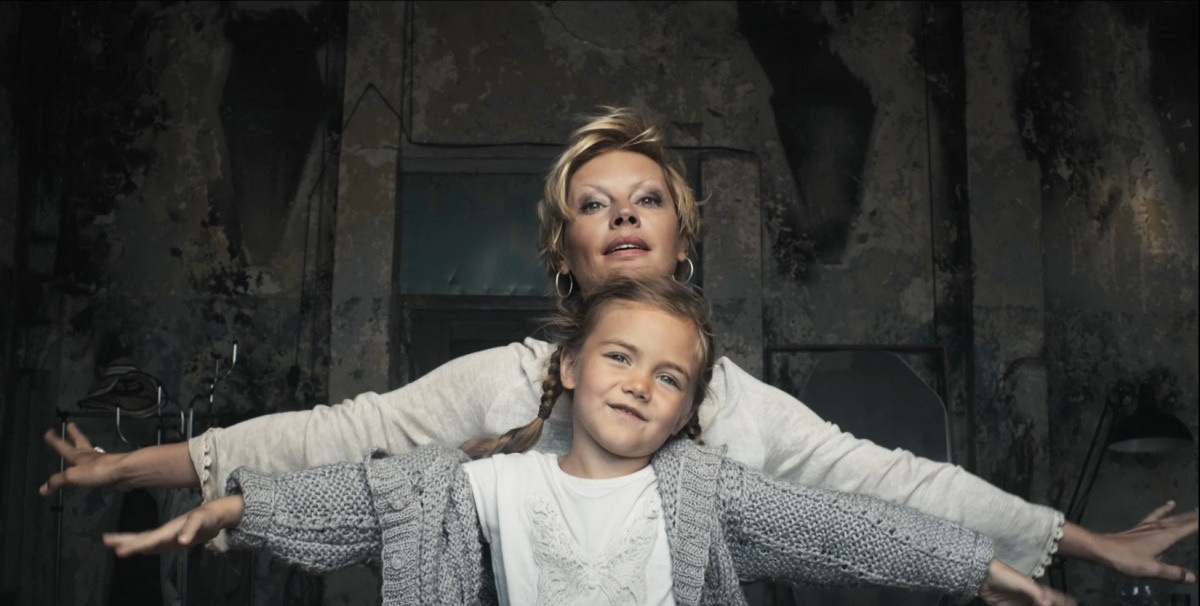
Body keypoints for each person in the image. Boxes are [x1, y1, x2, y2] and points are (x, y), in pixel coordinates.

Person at [45, 107, 1196, 585]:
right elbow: (337, 452)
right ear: (565, 251)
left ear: (683, 239)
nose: (625, 216)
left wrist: (1077, 540)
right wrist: (137, 468)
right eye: (595, 205)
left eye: (647, 199)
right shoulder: (501, 386)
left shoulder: (733, 409)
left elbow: (882, 497)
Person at [103, 276, 1075, 606]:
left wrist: (986, 572)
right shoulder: (485, 484)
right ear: (567, 367)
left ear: (687, 412)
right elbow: (361, 490)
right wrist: (229, 507)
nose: (640, 385)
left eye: (669, 379)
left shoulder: (709, 497)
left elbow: (854, 528)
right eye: (619, 358)